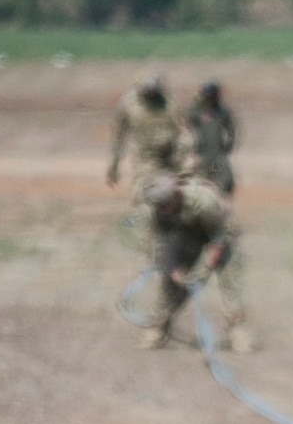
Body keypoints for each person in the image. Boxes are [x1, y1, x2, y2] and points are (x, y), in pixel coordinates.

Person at [139, 174, 254, 354]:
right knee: (170, 285)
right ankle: (159, 328)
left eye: (167, 203)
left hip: (220, 235)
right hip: (188, 237)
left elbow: (219, 238)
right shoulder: (158, 210)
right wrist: (175, 271)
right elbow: (164, 243)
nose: (164, 208)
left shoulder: (203, 200)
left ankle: (239, 332)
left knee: (230, 283)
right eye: (160, 205)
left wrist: (205, 267)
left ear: (176, 194)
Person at [107, 71, 185, 251]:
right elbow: (118, 136)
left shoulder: (170, 105)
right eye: (147, 92)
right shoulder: (128, 105)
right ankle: (150, 247)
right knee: (145, 202)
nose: (151, 96)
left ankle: (171, 243)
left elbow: (183, 134)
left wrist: (183, 161)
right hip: (144, 162)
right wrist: (114, 165)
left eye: (154, 92)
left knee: (172, 202)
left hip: (169, 161)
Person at [186, 80, 237, 196]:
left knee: (226, 181)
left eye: (213, 96)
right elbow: (185, 127)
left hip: (217, 155)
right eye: (207, 96)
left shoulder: (222, 112)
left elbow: (231, 131)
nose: (210, 99)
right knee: (200, 182)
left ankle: (219, 204)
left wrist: (228, 146)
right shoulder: (196, 111)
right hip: (201, 154)